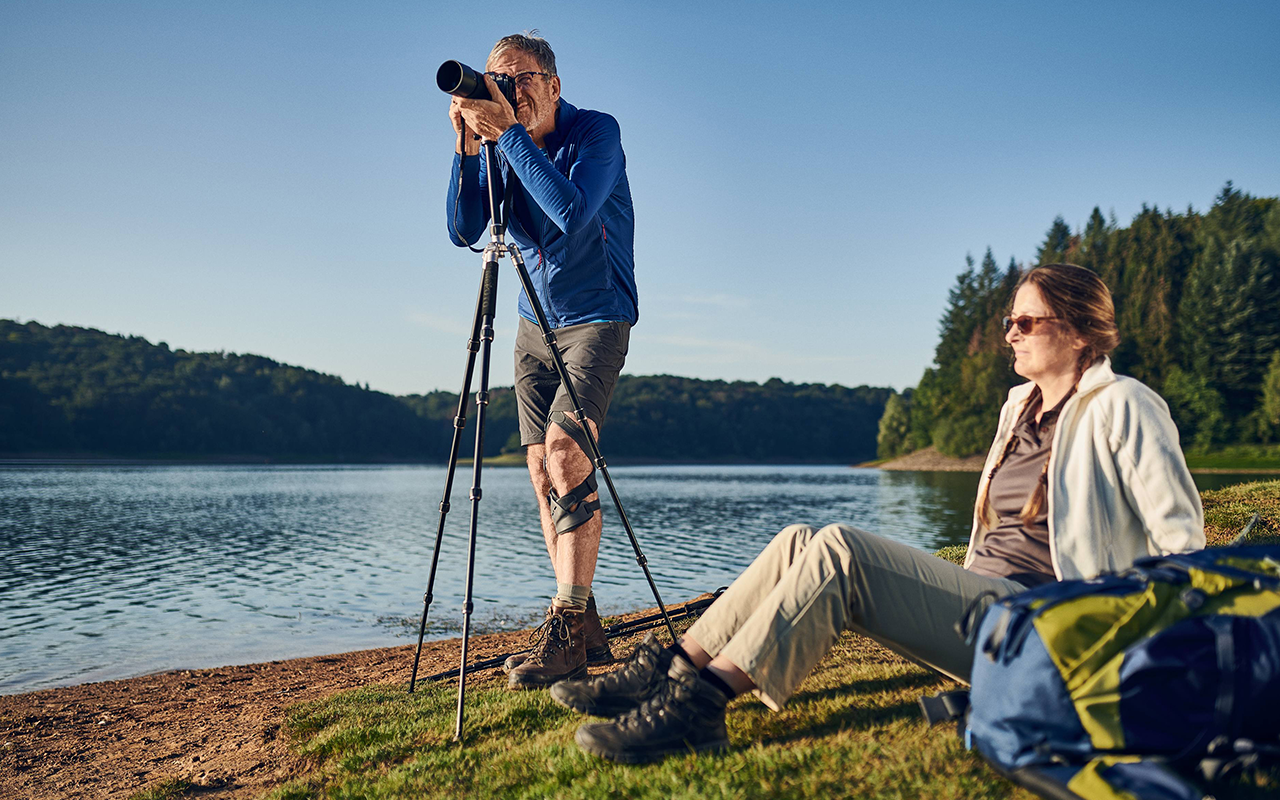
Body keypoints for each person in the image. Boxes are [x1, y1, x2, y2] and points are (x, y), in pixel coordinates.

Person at [552, 263, 1205, 763]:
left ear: (1080, 330)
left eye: (1027, 321)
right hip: (987, 605)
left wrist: (1131, 666)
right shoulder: (1019, 406)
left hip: (1046, 632)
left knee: (842, 548)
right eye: (1010, 319)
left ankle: (702, 705)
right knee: (799, 539)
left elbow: (1185, 552)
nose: (1010, 331)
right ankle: (673, 668)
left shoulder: (1125, 406)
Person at [445, 32, 638, 689]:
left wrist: (508, 136)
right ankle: (582, 623)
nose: (510, 91)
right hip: (534, 326)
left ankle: (564, 627)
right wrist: (467, 146)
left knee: (566, 455)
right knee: (538, 470)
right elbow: (463, 230)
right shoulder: (502, 145)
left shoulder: (596, 133)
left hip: (598, 317)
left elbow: (570, 213)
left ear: (554, 85)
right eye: (499, 81)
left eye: (522, 78)